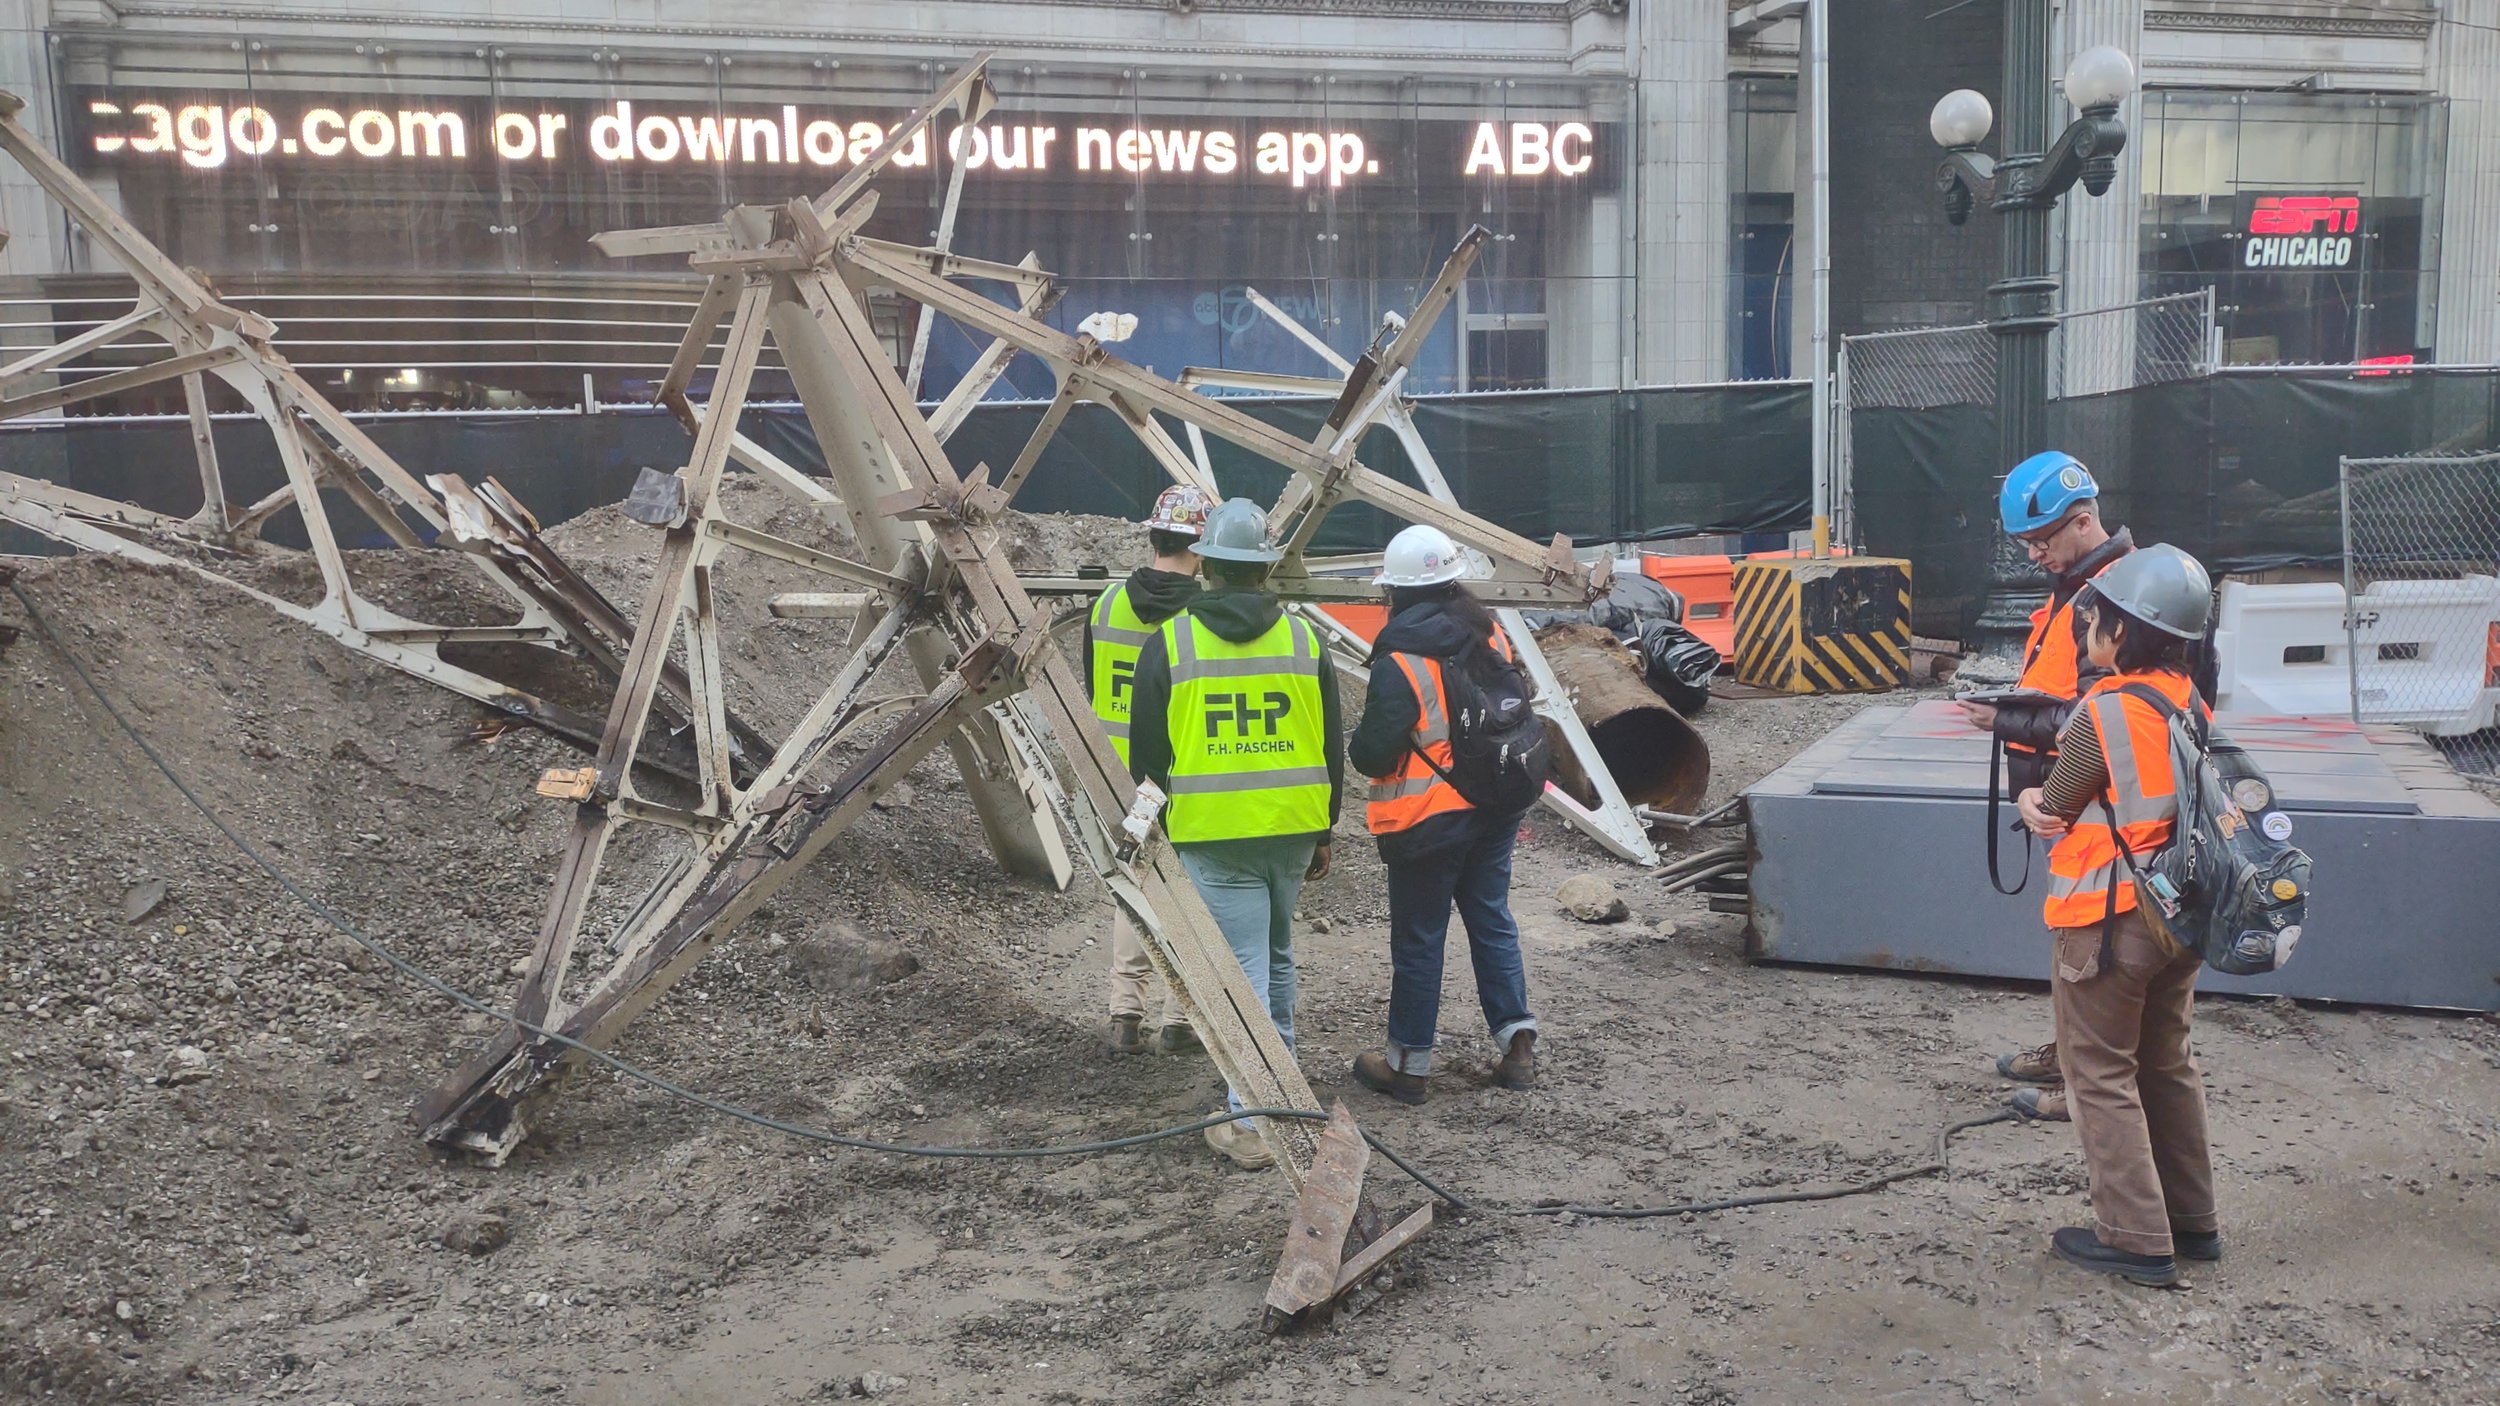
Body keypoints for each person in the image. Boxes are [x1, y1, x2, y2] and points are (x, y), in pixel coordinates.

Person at [2014, 543, 2220, 1287]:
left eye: (2097, 619)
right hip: (2178, 915)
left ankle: (2135, 1239)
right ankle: (2192, 1223)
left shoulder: (2104, 710)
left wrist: (2026, 797)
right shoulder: (2189, 701)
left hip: (2108, 919)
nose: (2088, 629)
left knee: (2098, 1072)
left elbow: (2055, 808)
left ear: (2124, 631)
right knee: (2166, 1063)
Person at [1127, 497, 1345, 1170]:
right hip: (1292, 828)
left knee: (1244, 971)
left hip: (1213, 834)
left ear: (1208, 565)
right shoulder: (1305, 641)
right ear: (1264, 568)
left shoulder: (1172, 642)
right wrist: (1325, 830)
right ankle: (1281, 1087)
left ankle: (1256, 1118)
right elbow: (1330, 744)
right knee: (1274, 957)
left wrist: (1158, 821)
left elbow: (1147, 754)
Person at [1956, 450, 2135, 1124]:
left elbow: (2101, 718)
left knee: (2095, 953)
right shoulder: (2080, 588)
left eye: (2040, 540)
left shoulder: (2112, 599)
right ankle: (2069, 1054)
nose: (2033, 556)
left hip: (2097, 806)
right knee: (2072, 945)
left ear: (2083, 521)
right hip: (2069, 800)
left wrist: (2004, 719)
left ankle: (2086, 1085)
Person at [1345, 524, 1538, 1106]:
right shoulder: (1489, 632)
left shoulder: (1399, 660)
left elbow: (1373, 754)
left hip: (1428, 820)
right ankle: (1519, 1048)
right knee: (1491, 920)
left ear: (1396, 592)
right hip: (1495, 804)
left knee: (1420, 941)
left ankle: (1407, 1068)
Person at [1086, 484, 1214, 1057]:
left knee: (1132, 887)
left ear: (1154, 537)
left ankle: (1124, 1015)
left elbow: (1093, 688)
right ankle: (1180, 1019)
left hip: (1117, 777)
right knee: (1189, 895)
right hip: (1181, 773)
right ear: (1200, 546)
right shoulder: (1202, 616)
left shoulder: (1105, 603)